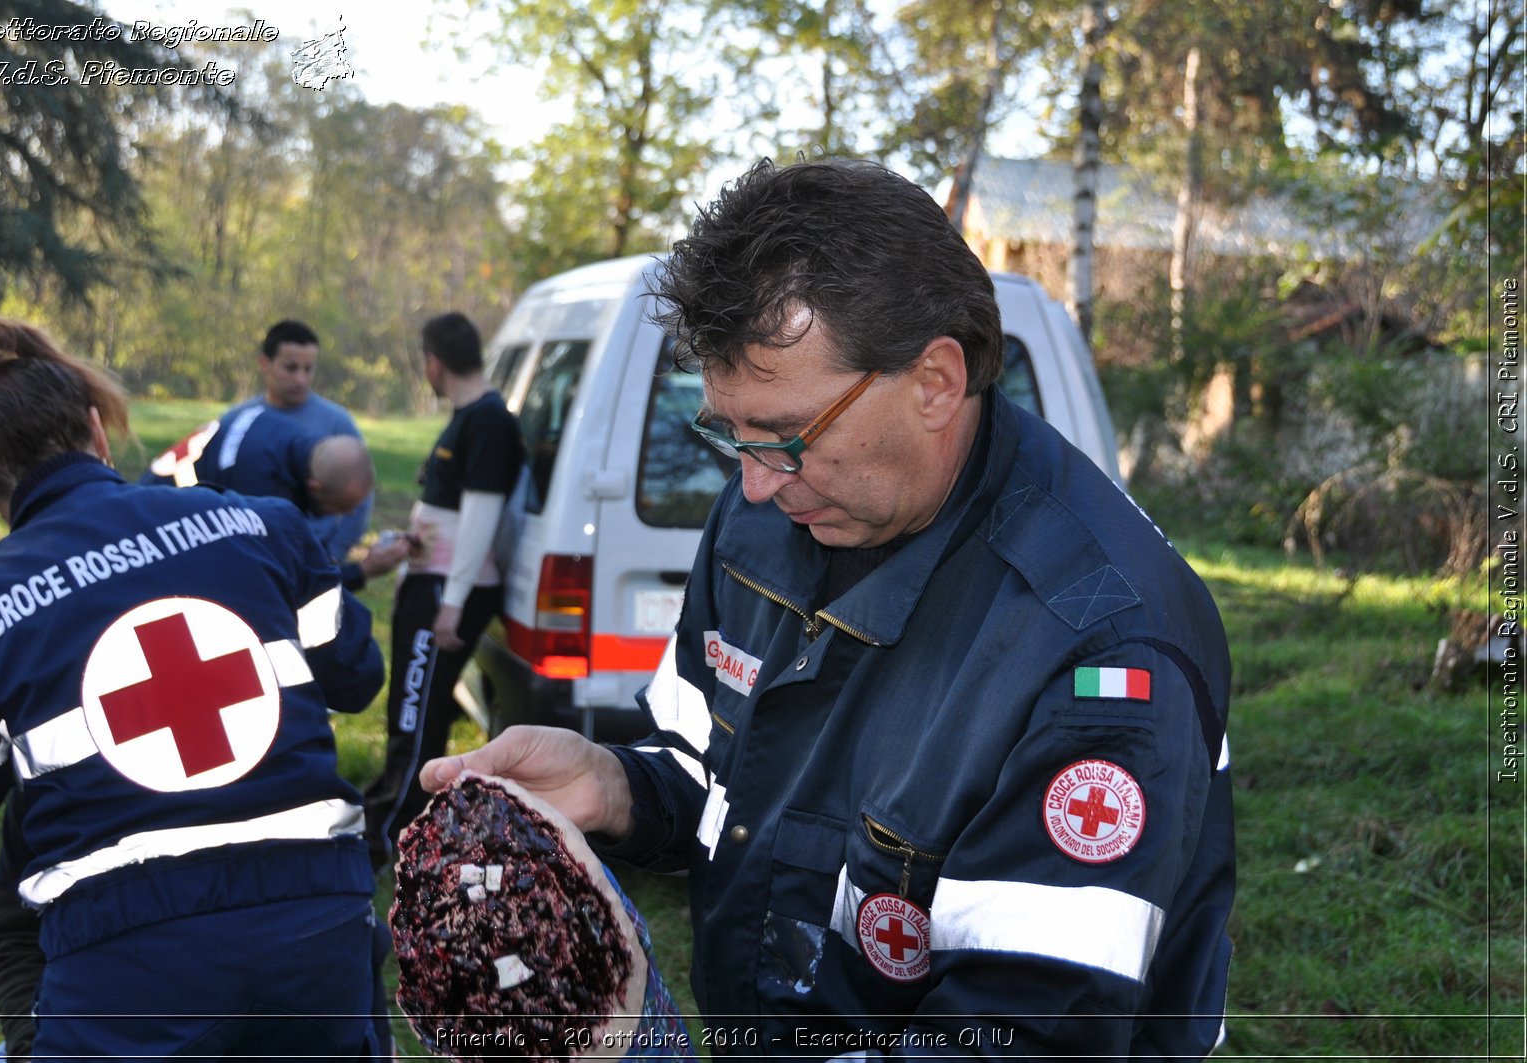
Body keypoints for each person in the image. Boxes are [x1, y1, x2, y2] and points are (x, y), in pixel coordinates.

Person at [421, 158, 1236, 1058]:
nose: (754, 483)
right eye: (728, 432)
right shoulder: (764, 517)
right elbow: (717, 772)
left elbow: (1016, 1038)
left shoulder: (1100, 651)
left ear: (935, 380)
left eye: (787, 438)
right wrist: (617, 785)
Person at [0, 317, 386, 1058]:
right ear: (96, 430)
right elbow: (357, 675)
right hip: (319, 931)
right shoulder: (264, 524)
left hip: (125, 965)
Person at [362, 311, 524, 871]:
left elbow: (482, 514)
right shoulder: (470, 417)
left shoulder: (487, 422)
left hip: (446, 593)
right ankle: (393, 815)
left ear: (434, 362)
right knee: (414, 710)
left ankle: (390, 834)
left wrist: (452, 600)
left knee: (417, 711)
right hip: (430, 582)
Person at [141, 405, 407, 590]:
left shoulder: (296, 438)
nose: (347, 516)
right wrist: (363, 571)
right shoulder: (264, 495)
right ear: (315, 486)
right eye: (339, 507)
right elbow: (290, 586)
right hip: (151, 538)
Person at [230, 318, 374, 565]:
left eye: (309, 369)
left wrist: (334, 554)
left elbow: (360, 497)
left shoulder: (336, 423)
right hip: (250, 556)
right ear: (265, 364)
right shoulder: (239, 422)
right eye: (291, 368)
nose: (301, 379)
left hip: (314, 556)